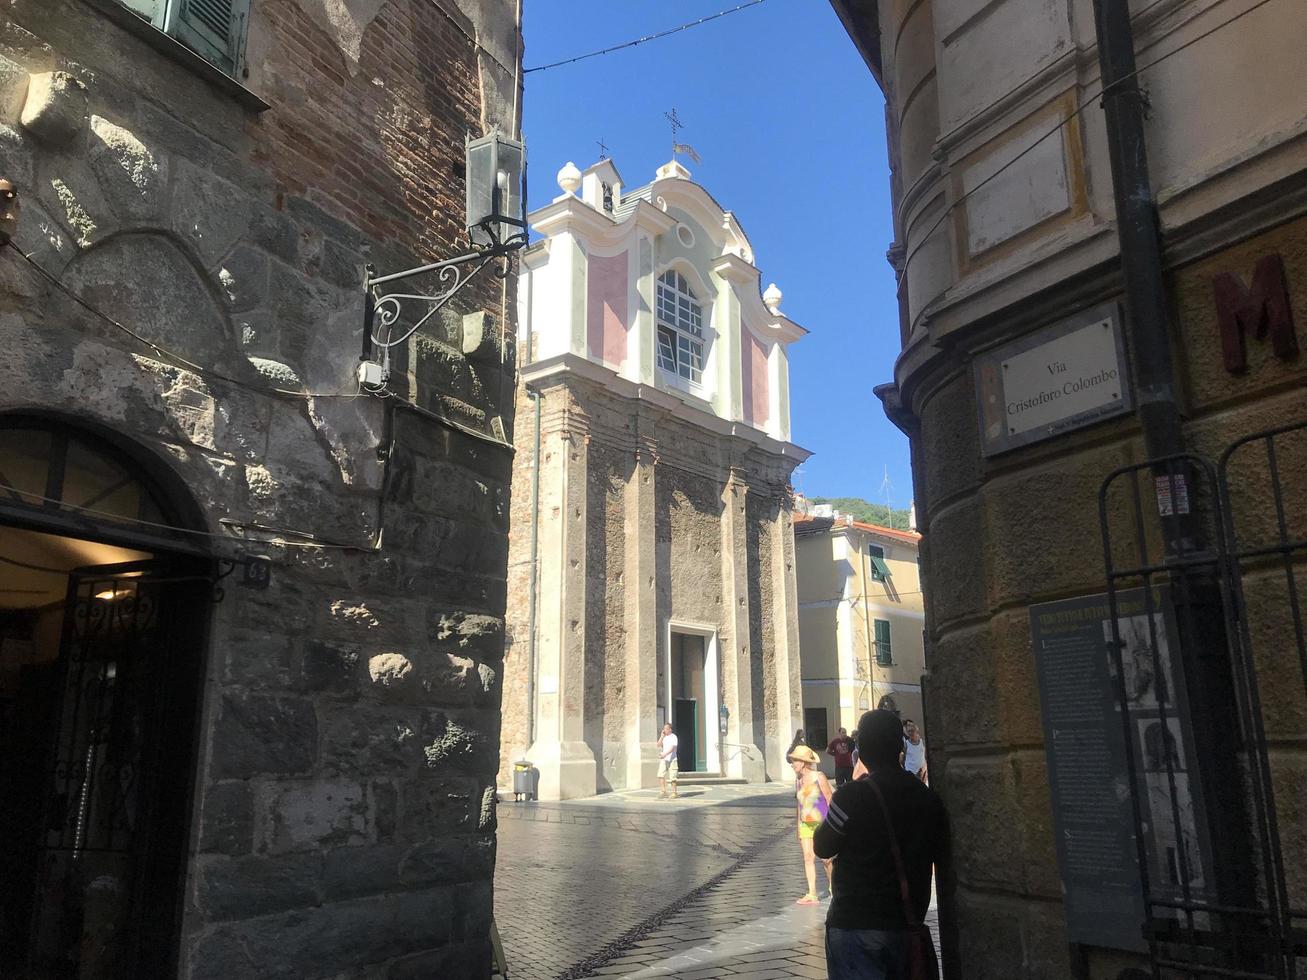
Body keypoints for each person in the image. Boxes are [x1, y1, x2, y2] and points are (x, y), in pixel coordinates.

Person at [814, 710, 954, 979]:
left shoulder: (852, 796)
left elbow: (823, 846)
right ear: (900, 748)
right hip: (907, 923)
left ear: (862, 749)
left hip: (857, 924)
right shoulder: (928, 798)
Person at [788, 744, 834, 905]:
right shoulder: (798, 780)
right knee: (808, 858)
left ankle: (833, 887)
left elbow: (830, 800)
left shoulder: (819, 776)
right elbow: (799, 804)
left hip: (822, 823)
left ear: (802, 762)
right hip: (806, 824)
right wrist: (798, 826)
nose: (792, 764)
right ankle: (812, 893)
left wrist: (831, 825)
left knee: (826, 859)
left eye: (794, 761)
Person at [657, 722, 678, 800]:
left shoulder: (674, 737)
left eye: (666, 728)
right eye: (664, 728)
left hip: (672, 759)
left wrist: (665, 754)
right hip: (664, 759)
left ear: (670, 729)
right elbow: (658, 745)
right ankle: (663, 791)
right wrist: (661, 736)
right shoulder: (664, 737)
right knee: (660, 774)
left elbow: (672, 748)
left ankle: (674, 792)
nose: (664, 730)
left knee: (673, 777)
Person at [902, 719, 927, 783]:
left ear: (916, 731)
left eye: (912, 731)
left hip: (923, 774)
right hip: (911, 774)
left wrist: (924, 769)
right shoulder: (906, 744)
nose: (911, 733)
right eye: (909, 731)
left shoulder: (923, 742)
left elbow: (925, 756)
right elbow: (903, 758)